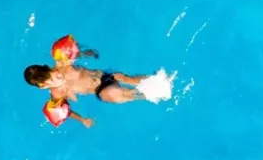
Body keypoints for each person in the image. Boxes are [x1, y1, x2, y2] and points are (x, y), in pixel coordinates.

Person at [22, 35, 161, 129]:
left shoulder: (63, 63)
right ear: (44, 86)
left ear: (48, 68)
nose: (58, 76)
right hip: (99, 90)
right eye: (52, 80)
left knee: (126, 79)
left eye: (52, 73)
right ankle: (153, 94)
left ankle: (158, 80)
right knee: (113, 95)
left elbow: (76, 53)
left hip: (105, 76)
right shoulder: (57, 94)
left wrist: (86, 53)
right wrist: (83, 120)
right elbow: (66, 112)